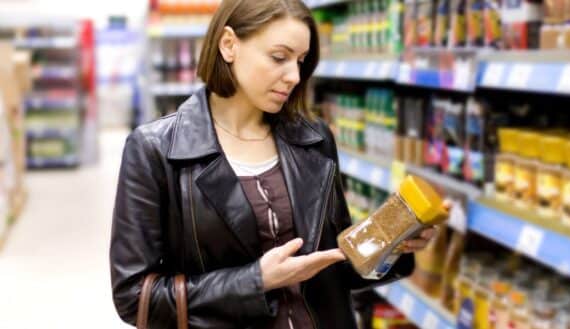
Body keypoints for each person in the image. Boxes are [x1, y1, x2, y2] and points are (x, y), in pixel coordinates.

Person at [110, 0, 441, 328]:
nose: (295, 76)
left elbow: (335, 265)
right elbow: (134, 297)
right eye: (279, 57)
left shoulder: (314, 140)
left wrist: (391, 245)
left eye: (300, 61)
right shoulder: (156, 149)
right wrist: (256, 280)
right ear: (228, 45)